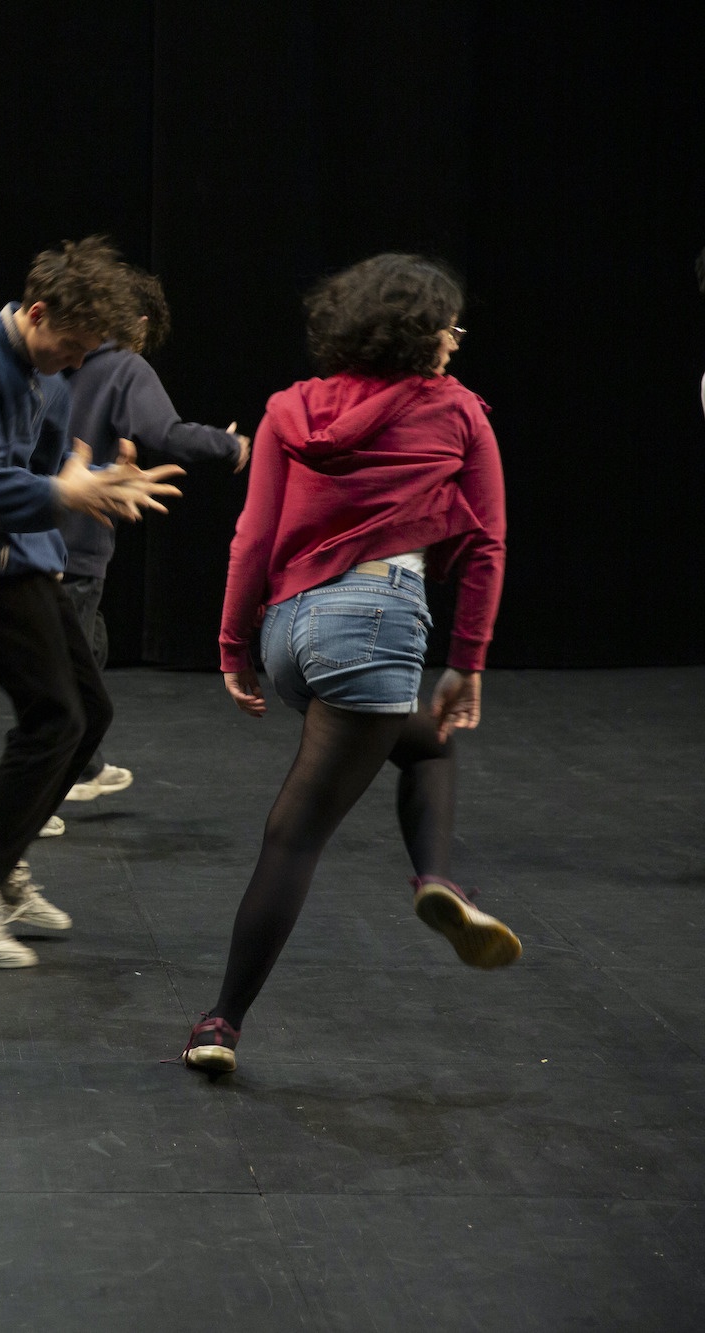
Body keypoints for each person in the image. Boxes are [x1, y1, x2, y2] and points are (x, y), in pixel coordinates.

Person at [184, 253, 517, 1075]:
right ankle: (220, 1022)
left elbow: (253, 537)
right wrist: (466, 661)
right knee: (294, 837)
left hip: (290, 636)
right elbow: (484, 546)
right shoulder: (458, 412)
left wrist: (234, 645)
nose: (455, 339)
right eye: (448, 325)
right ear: (418, 333)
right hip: (372, 622)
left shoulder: (288, 409)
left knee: (425, 742)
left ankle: (440, 880)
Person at [0, 237, 184, 969]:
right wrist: (62, 493)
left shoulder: (47, 372)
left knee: (90, 713)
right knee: (51, 715)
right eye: (75, 346)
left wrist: (94, 483)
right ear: (40, 312)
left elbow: (53, 464)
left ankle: (0, 865)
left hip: (22, 557)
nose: (78, 363)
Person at [56, 267, 251, 809]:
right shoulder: (123, 365)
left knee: (88, 648)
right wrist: (230, 447)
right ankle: (39, 796)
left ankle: (84, 766)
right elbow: (165, 432)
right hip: (76, 541)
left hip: (37, 531)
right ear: (138, 321)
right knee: (67, 681)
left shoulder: (52, 356)